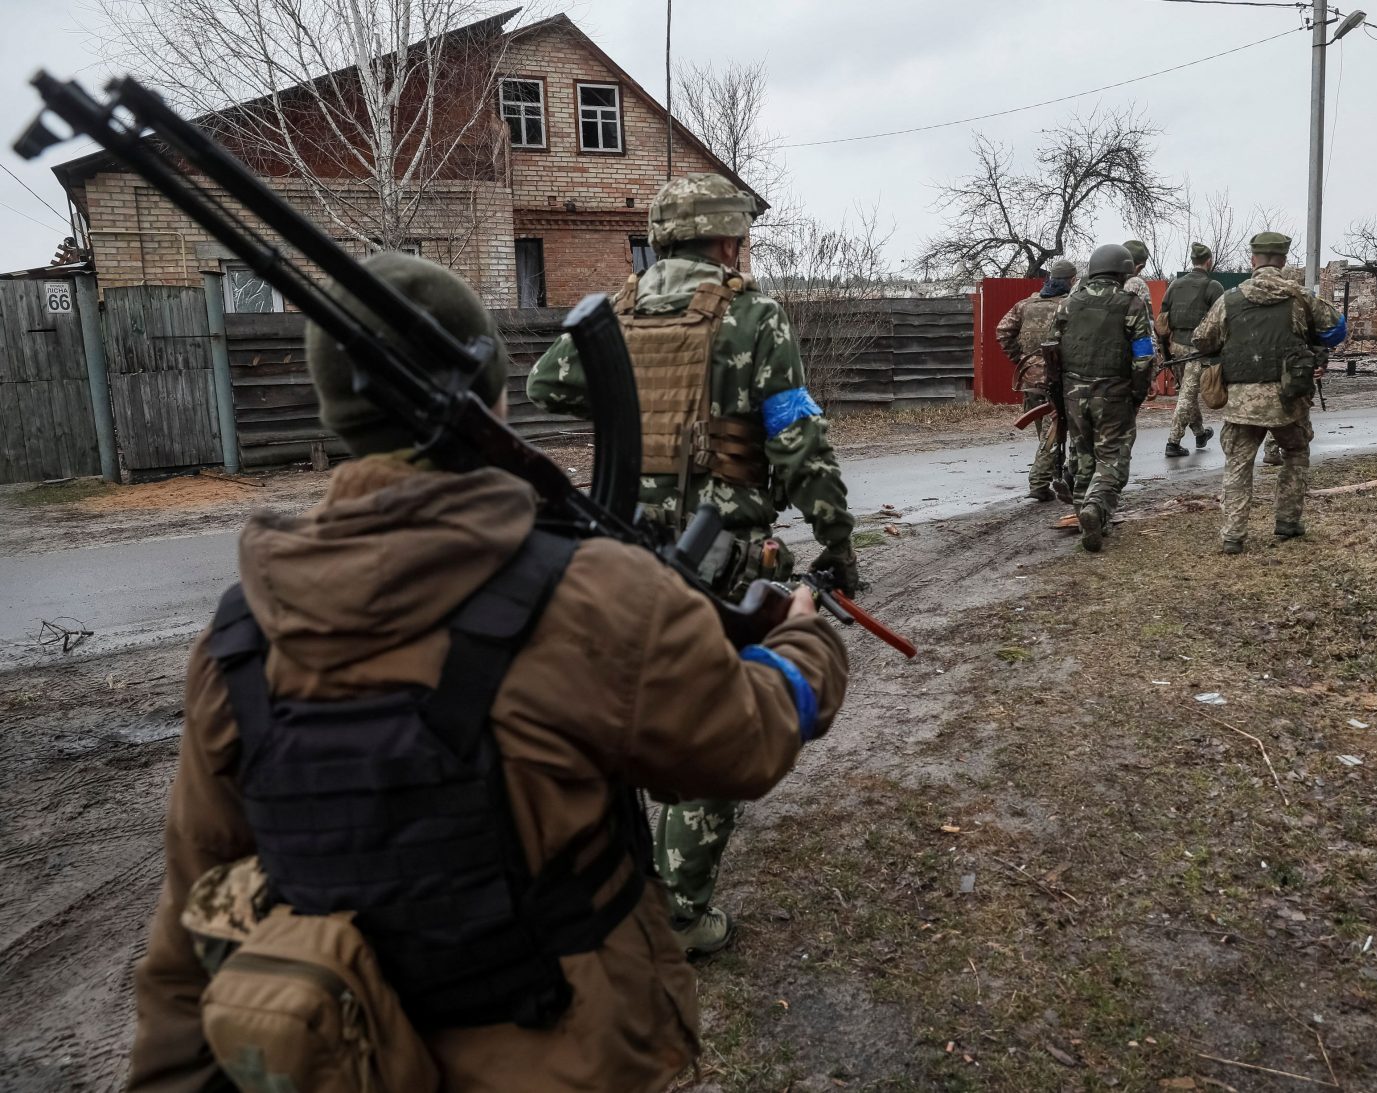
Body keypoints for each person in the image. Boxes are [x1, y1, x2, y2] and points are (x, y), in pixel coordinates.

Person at [125, 251, 850, 1093]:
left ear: (337, 418)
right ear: (492, 397)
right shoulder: (592, 596)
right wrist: (805, 645)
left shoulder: (236, 640)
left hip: (344, 1063)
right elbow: (742, 742)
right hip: (573, 1057)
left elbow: (187, 938)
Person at [528, 173, 857, 959]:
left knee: (613, 712)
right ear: (728, 240)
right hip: (714, 556)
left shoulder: (619, 309)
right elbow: (797, 441)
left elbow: (548, 382)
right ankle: (677, 911)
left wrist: (630, 408)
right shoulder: (752, 316)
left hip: (613, 548)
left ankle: (610, 887)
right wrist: (836, 537)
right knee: (708, 719)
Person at [1192, 232, 1346, 554]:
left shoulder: (1229, 299)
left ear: (1253, 260)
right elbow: (1337, 328)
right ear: (1284, 261)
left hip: (1242, 404)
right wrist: (1313, 341)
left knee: (1238, 463)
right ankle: (1288, 522)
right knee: (1295, 453)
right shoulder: (1300, 296)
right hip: (1288, 401)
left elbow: (1202, 340)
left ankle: (1233, 535)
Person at [1046, 243, 1156, 552]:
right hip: (1114, 394)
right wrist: (1137, 391)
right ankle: (1096, 508)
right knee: (1112, 459)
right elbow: (1143, 356)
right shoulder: (1131, 304)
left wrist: (1060, 393)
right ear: (1122, 272)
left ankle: (1087, 521)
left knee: (1083, 458)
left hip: (1072, 394)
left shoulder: (1067, 304)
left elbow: (1051, 350)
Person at [994, 258, 1077, 501]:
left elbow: (1002, 331)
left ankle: (1055, 476)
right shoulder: (1069, 306)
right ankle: (1040, 482)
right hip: (1059, 377)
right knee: (1059, 429)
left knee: (1046, 431)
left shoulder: (1024, 305)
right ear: (1071, 281)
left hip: (1030, 378)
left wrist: (1021, 359)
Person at [1157, 243, 1222, 457]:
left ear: (1192, 261)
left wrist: (1165, 352)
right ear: (1209, 261)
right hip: (1198, 350)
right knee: (1187, 394)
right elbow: (1220, 322)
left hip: (1175, 348)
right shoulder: (1213, 287)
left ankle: (1200, 433)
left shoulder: (1175, 286)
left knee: (1188, 392)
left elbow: (1162, 322)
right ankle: (1172, 442)